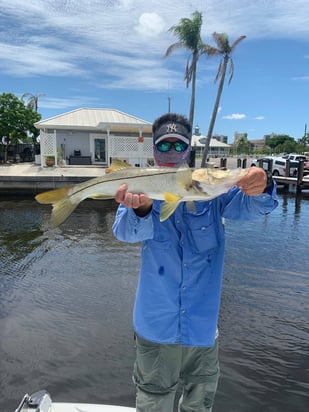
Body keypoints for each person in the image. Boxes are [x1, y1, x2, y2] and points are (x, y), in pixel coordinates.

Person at [112, 113, 278, 412]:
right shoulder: (140, 187)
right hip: (155, 327)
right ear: (153, 151)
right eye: (164, 146)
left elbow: (254, 209)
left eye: (179, 145)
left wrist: (262, 185)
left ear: (189, 149)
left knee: (199, 405)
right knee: (153, 403)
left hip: (202, 328)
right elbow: (123, 233)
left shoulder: (213, 192)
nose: (172, 152)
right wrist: (142, 210)